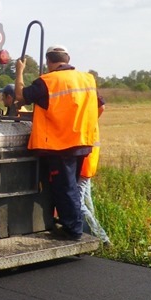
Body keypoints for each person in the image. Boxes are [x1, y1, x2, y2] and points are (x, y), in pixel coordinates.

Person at [15, 45, 99, 240]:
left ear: (49, 62)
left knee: (65, 187)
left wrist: (19, 71)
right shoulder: (87, 78)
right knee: (71, 186)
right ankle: (71, 223)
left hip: (60, 145)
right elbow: (100, 104)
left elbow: (20, 96)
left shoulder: (48, 81)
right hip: (82, 142)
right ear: (67, 59)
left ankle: (73, 229)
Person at [79, 101, 110, 245]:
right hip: (88, 165)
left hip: (82, 166)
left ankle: (101, 238)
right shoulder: (91, 120)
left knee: (78, 203)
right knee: (87, 201)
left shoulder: (85, 122)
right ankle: (94, 234)